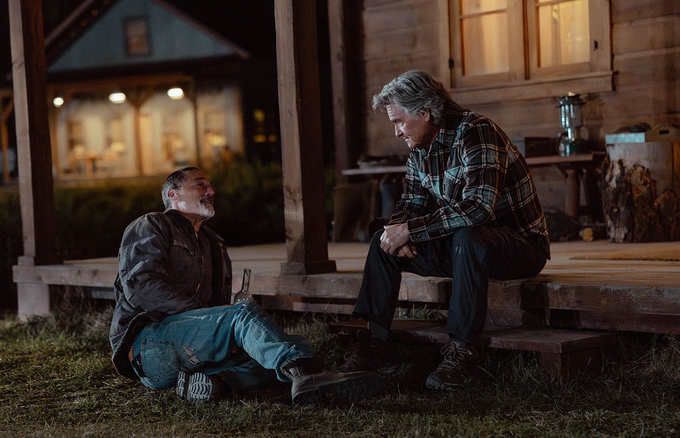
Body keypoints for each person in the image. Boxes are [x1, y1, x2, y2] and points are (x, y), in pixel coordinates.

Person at [339, 71, 550, 391]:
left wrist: (413, 230)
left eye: (399, 121)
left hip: (518, 247)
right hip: (461, 247)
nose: (396, 132)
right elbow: (411, 204)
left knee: (469, 234)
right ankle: (375, 345)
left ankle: (463, 351)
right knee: (382, 240)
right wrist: (399, 231)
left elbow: (480, 209)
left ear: (424, 113)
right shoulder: (420, 147)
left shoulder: (477, 132)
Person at [109, 166, 379, 404]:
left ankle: (214, 383)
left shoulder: (213, 242)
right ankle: (310, 375)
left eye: (211, 185)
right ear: (173, 194)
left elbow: (216, 309)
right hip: (148, 344)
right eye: (200, 184)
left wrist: (220, 317)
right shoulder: (152, 224)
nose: (211, 190)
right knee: (246, 318)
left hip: (189, 352)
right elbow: (141, 287)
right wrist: (211, 315)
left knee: (270, 352)